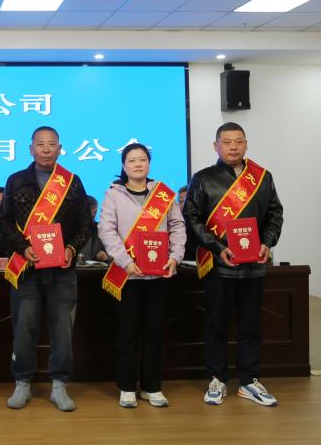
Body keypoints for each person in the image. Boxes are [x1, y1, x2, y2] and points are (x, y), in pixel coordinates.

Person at [184, 122, 283, 407]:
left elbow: (275, 214)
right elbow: (192, 218)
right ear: (215, 146)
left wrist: (267, 243)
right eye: (226, 142)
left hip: (254, 266)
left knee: (251, 326)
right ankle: (217, 378)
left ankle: (249, 381)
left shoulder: (262, 177)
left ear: (246, 144)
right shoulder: (203, 178)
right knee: (216, 325)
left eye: (239, 141)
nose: (233, 147)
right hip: (219, 266)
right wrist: (218, 248)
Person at [0, 126, 91, 412]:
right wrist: (22, 247)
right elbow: (4, 222)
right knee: (24, 328)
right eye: (41, 144)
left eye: (52, 144)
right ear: (31, 149)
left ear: (60, 149)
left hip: (62, 270)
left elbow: (85, 225)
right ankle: (22, 382)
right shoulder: (16, 181)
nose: (47, 149)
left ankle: (59, 385)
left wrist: (71, 248)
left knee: (62, 330)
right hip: (27, 269)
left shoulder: (72, 182)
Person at [98, 143, 185, 408]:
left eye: (142, 159)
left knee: (154, 333)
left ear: (149, 163)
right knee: (128, 333)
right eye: (132, 160)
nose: (138, 164)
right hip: (128, 276)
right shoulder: (113, 194)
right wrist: (125, 261)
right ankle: (127, 387)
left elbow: (177, 226)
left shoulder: (163, 194)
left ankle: (152, 387)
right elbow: (106, 230)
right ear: (124, 166)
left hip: (159, 275)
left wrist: (175, 256)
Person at [77, 196, 110, 265]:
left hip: (97, 269)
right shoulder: (70, 230)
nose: (92, 214)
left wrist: (107, 256)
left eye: (94, 211)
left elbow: (114, 252)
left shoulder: (102, 229)